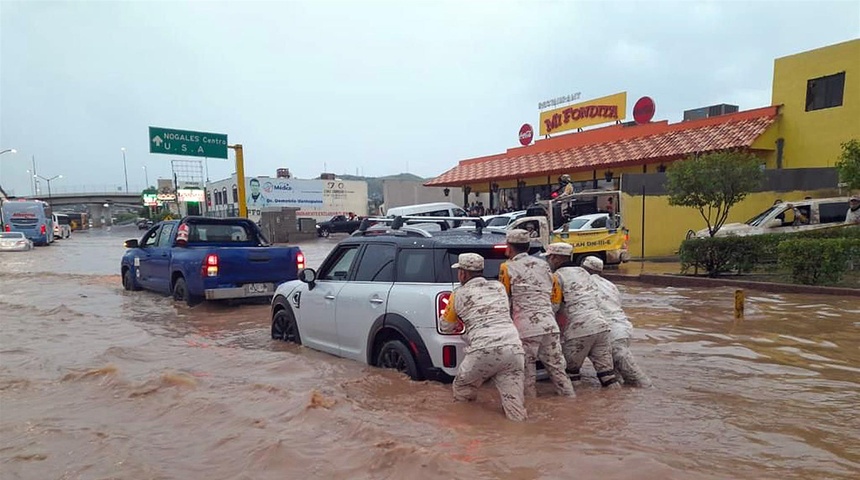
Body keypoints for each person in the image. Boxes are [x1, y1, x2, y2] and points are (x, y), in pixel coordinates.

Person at [439, 253, 528, 421]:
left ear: (463, 274)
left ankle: (469, 429)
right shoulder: (499, 287)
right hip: (514, 348)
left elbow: (446, 326)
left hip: (483, 350)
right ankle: (519, 435)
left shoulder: (458, 294)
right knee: (515, 406)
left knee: (462, 386)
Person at [498, 230, 575, 398]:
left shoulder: (506, 267)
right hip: (549, 325)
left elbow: (504, 297)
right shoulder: (544, 265)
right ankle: (570, 401)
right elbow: (555, 297)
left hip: (525, 328)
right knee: (558, 370)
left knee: (527, 372)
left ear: (509, 247)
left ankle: (531, 407)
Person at [545, 243, 619, 388]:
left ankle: (576, 407)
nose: (548, 261)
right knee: (607, 375)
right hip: (601, 326)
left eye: (549, 257)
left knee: (571, 375)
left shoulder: (556, 277)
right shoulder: (584, 273)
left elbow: (554, 306)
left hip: (579, 330)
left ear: (555, 258)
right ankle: (615, 402)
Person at [581, 256, 652, 388]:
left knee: (634, 375)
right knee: (614, 372)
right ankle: (622, 398)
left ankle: (648, 391)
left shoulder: (582, 283)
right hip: (623, 328)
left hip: (606, 330)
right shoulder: (610, 285)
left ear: (583, 269)